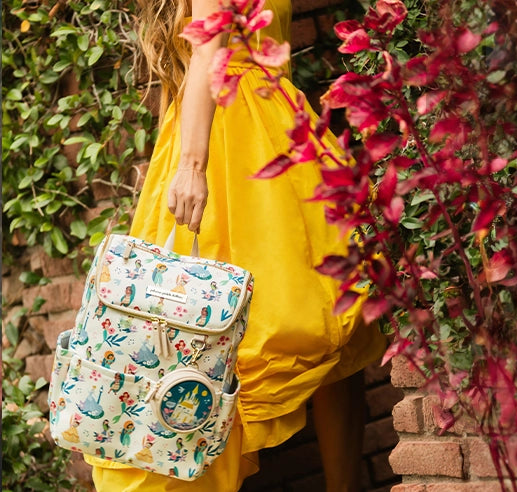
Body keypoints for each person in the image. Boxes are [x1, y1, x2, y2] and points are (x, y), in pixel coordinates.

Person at [85, 0, 387, 490]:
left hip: (236, 135)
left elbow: (209, 50)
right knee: (316, 319)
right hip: (258, 127)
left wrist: (190, 165)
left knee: (264, 330)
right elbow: (188, 69)